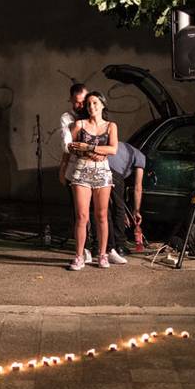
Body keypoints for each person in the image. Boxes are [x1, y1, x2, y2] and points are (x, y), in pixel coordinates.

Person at [60, 91, 118, 270]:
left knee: (101, 215)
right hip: (82, 171)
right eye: (88, 104)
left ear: (102, 105)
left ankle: (102, 255)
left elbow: (113, 149)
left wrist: (90, 147)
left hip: (102, 172)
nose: (91, 107)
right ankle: (79, 256)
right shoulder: (79, 124)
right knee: (82, 216)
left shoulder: (111, 126)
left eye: (95, 103)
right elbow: (71, 147)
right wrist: (64, 167)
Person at [59, 83, 93, 263]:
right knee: (80, 213)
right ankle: (84, 249)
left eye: (83, 102)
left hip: (97, 170)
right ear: (71, 101)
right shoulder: (68, 118)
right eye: (76, 103)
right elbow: (66, 145)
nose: (80, 106)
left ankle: (104, 248)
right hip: (76, 170)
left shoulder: (95, 115)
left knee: (100, 212)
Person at [106, 141, 146, 260]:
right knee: (118, 209)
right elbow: (138, 187)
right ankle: (120, 246)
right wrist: (136, 210)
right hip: (114, 171)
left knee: (105, 209)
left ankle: (105, 246)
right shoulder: (141, 158)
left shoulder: (123, 147)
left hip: (99, 165)